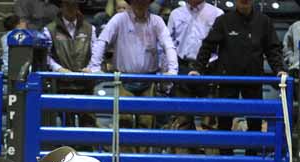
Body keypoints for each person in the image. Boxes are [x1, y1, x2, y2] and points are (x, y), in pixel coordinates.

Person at [190, 0, 286, 152]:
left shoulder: (264, 22)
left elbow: (273, 50)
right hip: (228, 80)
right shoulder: (223, 21)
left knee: (255, 124)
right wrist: (198, 68)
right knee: (224, 123)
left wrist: (279, 70)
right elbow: (208, 46)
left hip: (254, 80)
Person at [93, 0, 178, 130]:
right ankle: (126, 149)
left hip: (149, 80)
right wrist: (95, 67)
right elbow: (103, 41)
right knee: (124, 122)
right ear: (131, 3)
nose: (140, 3)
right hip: (124, 79)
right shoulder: (119, 19)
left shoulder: (156, 21)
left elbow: (168, 45)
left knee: (147, 122)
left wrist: (172, 71)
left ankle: (143, 149)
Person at [42, 0, 101, 127]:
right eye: (67, 4)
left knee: (88, 127)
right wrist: (58, 69)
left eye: (74, 4)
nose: (71, 8)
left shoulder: (90, 29)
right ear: (61, 6)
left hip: (86, 86)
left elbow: (96, 54)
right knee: (64, 127)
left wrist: (90, 68)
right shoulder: (49, 30)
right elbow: (45, 56)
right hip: (61, 86)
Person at [167, 0, 222, 131]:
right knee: (182, 119)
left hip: (209, 69)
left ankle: (209, 150)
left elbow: (223, 46)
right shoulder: (175, 14)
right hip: (183, 67)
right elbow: (168, 44)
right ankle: (184, 150)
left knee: (210, 120)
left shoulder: (217, 14)